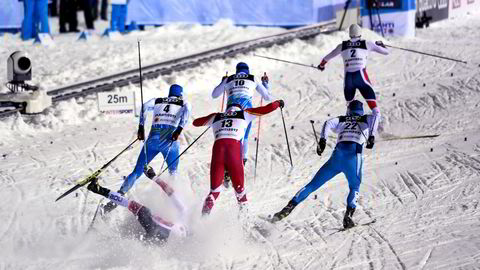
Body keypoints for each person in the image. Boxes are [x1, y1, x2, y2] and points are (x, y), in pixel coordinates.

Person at [271, 100, 378, 229]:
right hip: (353, 157)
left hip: (337, 156)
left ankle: (287, 208)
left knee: (312, 185)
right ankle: (348, 216)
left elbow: (328, 123)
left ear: (349, 110)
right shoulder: (366, 118)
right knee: (354, 186)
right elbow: (377, 115)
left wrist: (323, 140)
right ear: (360, 110)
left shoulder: (343, 119)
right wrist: (371, 136)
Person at [103, 84, 191, 213]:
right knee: (173, 173)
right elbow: (187, 112)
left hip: (152, 140)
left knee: (137, 172)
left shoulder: (157, 100)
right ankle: (173, 205)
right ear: (180, 94)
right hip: (169, 141)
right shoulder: (183, 102)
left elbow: (144, 107)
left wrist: (141, 127)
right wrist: (179, 129)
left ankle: (118, 196)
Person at [192, 99, 284, 215]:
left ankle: (201, 222)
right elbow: (266, 109)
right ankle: (245, 222)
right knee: (239, 190)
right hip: (234, 151)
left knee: (214, 191)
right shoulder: (245, 113)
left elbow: (195, 122)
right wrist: (278, 103)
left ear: (227, 109)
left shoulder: (216, 116)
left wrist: (212, 120)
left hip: (218, 151)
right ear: (239, 108)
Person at [317, 23, 388, 147]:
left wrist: (321, 65)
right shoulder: (367, 43)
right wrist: (382, 44)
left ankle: (348, 136)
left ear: (349, 34)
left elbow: (326, 58)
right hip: (362, 80)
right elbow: (386, 52)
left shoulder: (342, 46)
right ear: (360, 34)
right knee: (376, 111)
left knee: (349, 111)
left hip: (349, 82)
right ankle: (371, 136)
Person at [87, 166, 187, 243]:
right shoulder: (184, 216)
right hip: (155, 236)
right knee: (136, 229)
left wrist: (154, 177)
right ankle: (107, 239)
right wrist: (153, 177)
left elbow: (170, 192)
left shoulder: (183, 215)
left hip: (154, 233)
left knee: (141, 210)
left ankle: (96, 189)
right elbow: (171, 193)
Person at [211, 62, 273, 185]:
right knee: (243, 138)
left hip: (230, 112)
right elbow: (267, 97)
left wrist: (222, 82)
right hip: (246, 112)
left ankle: (227, 166)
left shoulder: (229, 78)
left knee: (230, 136)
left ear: (237, 70)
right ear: (247, 71)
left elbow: (214, 95)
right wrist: (266, 83)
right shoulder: (252, 78)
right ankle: (240, 164)